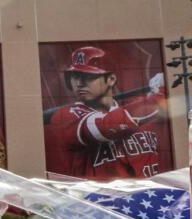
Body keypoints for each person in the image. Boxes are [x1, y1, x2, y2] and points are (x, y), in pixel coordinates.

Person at [45, 46, 166, 179]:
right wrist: (160, 94)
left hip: (149, 195)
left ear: (111, 79)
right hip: (98, 198)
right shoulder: (66, 116)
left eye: (88, 76)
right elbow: (107, 125)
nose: (79, 83)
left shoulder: (144, 112)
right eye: (75, 77)